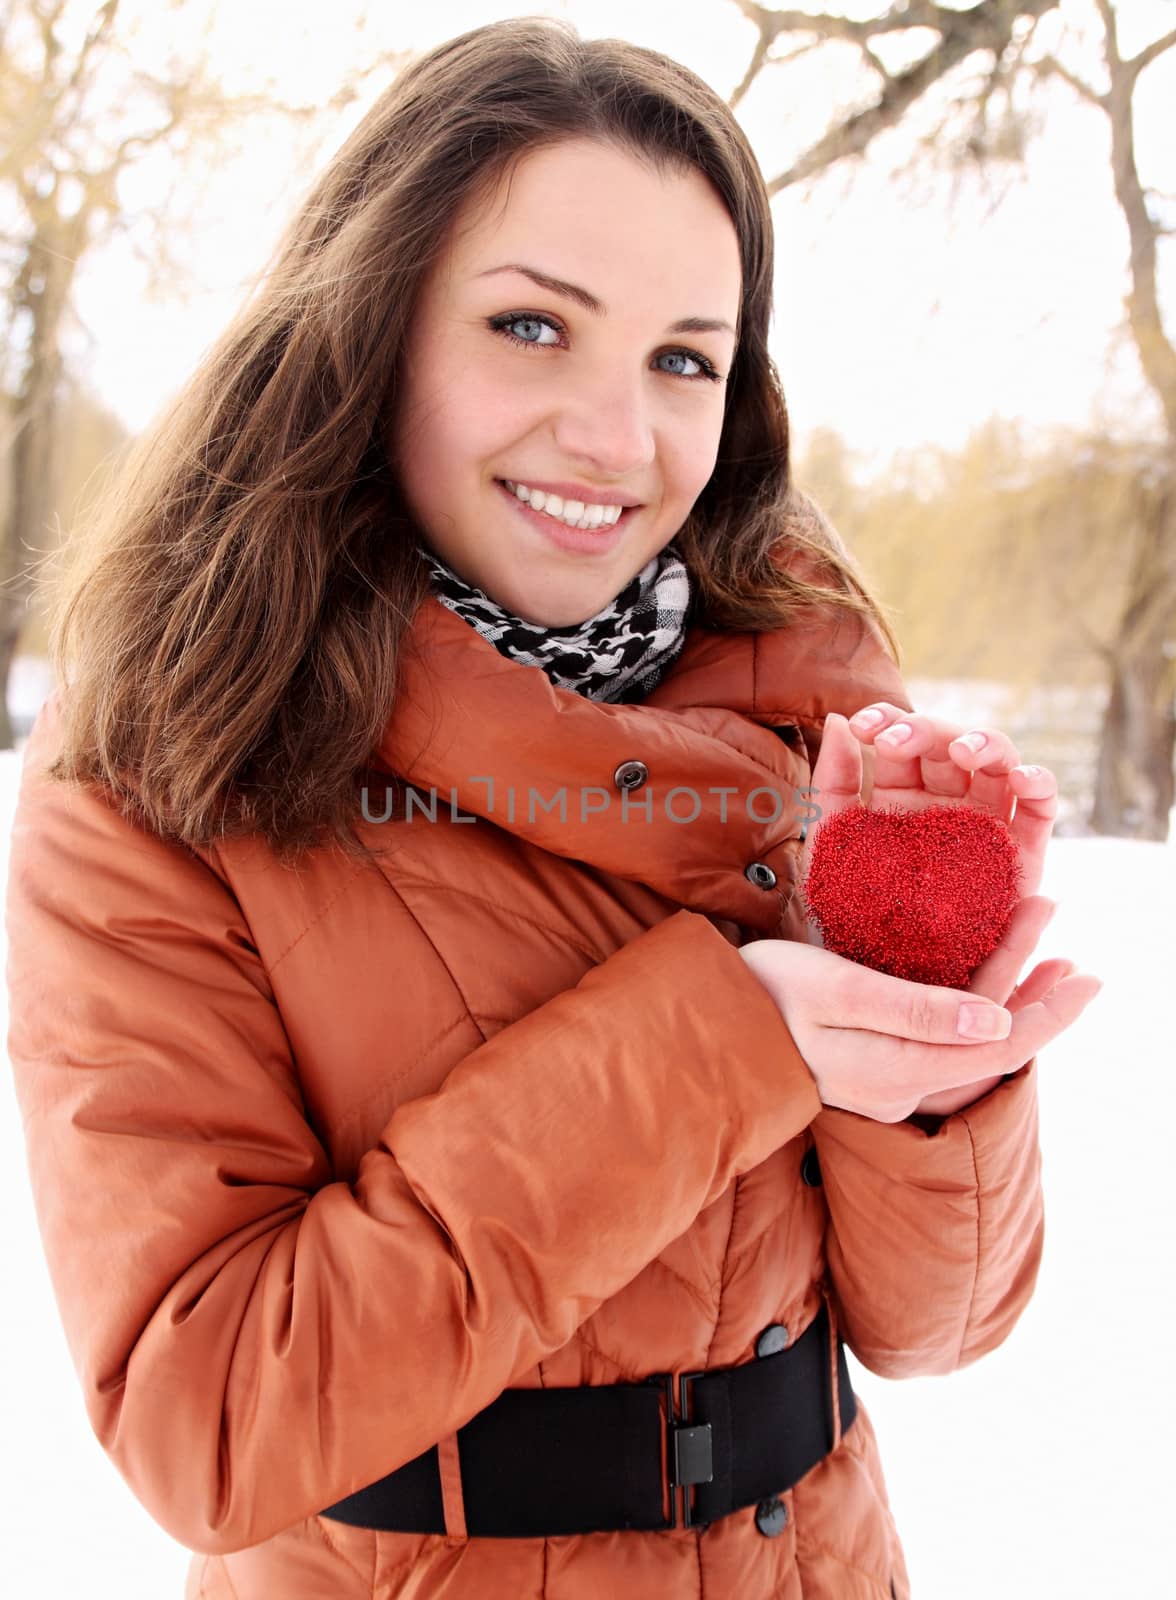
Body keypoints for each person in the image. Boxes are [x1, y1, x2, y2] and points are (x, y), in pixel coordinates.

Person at [4, 17, 1102, 1600]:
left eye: (682, 359)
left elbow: (943, 1328)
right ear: (374, 327)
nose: (617, 437)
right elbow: (212, 1415)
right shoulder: (169, 771)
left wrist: (914, 1036)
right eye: (533, 327)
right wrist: (728, 1029)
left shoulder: (808, 712)